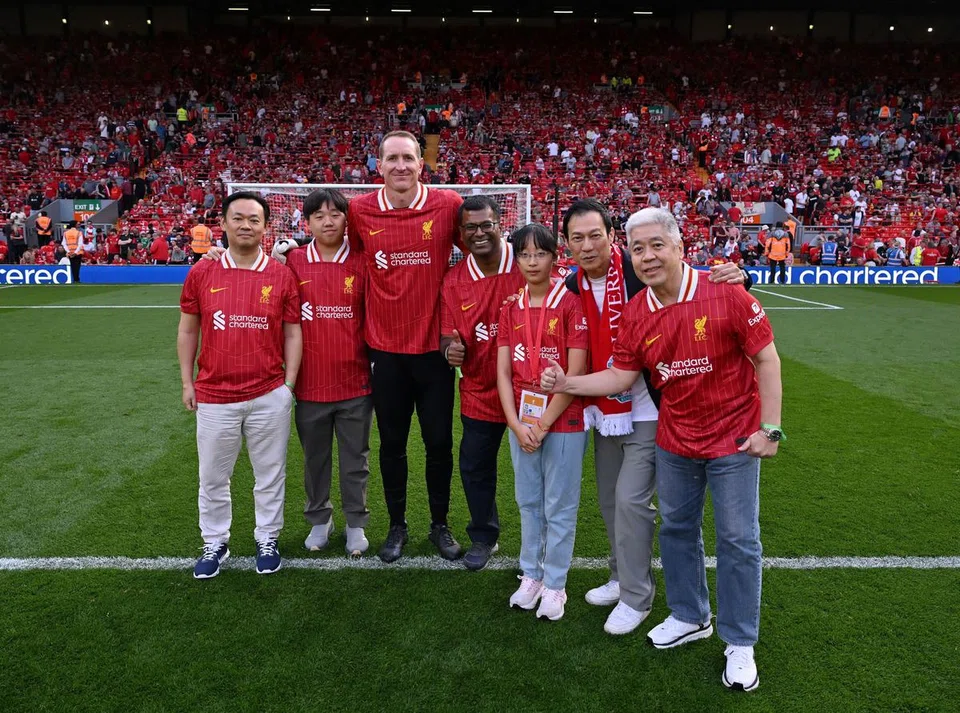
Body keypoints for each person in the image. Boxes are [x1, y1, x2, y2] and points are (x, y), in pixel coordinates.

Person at [541, 207, 783, 692]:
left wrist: (770, 428)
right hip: (675, 440)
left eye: (656, 245)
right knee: (676, 530)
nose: (647, 256)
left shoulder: (725, 292)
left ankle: (740, 642)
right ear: (627, 255)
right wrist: (569, 381)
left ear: (678, 246)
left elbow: (766, 358)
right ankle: (691, 615)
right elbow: (621, 376)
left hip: (733, 439)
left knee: (737, 540)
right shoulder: (636, 313)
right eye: (638, 249)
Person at [561, 199, 751, 635]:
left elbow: (694, 280)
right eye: (577, 238)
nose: (588, 246)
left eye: (596, 236)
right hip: (606, 408)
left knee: (630, 501)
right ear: (567, 244)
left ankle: (636, 597)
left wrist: (744, 275)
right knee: (611, 502)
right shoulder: (571, 286)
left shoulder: (639, 269)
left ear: (614, 240)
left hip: (652, 408)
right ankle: (620, 575)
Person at [346, 130, 464, 563]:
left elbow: (478, 260)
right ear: (379, 166)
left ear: (422, 163)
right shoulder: (359, 211)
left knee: (438, 444)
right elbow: (348, 260)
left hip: (435, 352)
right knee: (392, 444)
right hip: (385, 351)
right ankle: (397, 525)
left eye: (408, 158)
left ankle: (439, 524)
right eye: (392, 158)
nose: (401, 166)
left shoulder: (448, 205)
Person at [177, 191, 302, 579]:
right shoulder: (202, 271)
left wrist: (289, 386)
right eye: (238, 218)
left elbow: (293, 333)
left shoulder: (281, 274)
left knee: (270, 474)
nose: (246, 225)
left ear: (266, 227)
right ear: (224, 224)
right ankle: (215, 541)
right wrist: (187, 381)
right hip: (215, 395)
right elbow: (187, 328)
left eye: (254, 219)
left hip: (268, 394)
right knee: (213, 476)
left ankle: (267, 537)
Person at [497, 224, 588, 621]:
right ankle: (531, 574)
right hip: (523, 423)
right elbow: (502, 374)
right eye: (524, 254)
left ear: (555, 257)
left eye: (541, 254)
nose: (532, 262)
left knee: (559, 506)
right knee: (528, 502)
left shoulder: (571, 304)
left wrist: (543, 424)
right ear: (516, 258)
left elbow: (575, 373)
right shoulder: (509, 307)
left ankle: (555, 584)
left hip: (563, 421)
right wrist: (517, 426)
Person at [284, 189, 373, 557]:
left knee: (356, 460)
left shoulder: (363, 262)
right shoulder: (292, 261)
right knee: (314, 459)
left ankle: (355, 523)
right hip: (309, 383)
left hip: (355, 381)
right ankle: (320, 520)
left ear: (346, 220)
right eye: (319, 215)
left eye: (336, 213)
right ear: (307, 222)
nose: (328, 220)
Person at [440, 195, 525, 570]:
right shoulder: (455, 280)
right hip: (479, 390)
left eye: (486, 224)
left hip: (530, 392)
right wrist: (449, 351)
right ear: (461, 234)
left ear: (500, 224)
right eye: (471, 227)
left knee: (537, 474)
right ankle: (483, 536)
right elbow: (446, 336)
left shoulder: (527, 261)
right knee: (474, 465)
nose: (479, 233)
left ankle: (538, 545)